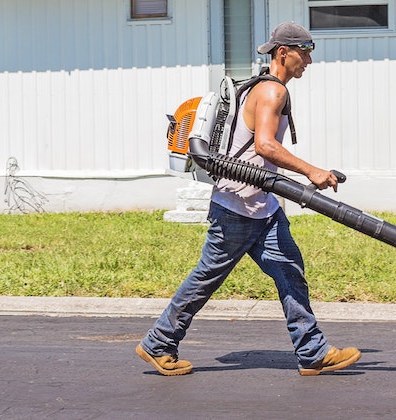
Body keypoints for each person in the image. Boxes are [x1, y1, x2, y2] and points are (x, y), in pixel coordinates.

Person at [136, 22, 361, 376]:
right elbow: (265, 146)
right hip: (237, 207)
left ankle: (312, 351)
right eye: (305, 53)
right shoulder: (272, 92)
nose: (309, 62)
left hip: (262, 206)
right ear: (283, 52)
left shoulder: (258, 87)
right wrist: (312, 171)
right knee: (206, 278)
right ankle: (159, 342)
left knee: (290, 272)